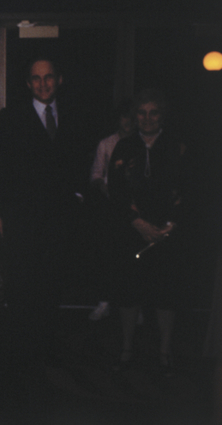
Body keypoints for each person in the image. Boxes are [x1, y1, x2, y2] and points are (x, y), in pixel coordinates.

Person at [0, 57, 88, 419]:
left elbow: (79, 159)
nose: (43, 85)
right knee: (22, 287)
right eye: (36, 79)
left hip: (59, 221)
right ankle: (21, 356)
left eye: (48, 78)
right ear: (28, 84)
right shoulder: (11, 117)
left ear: (58, 80)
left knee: (51, 285)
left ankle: (45, 348)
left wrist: (77, 196)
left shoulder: (71, 115)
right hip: (22, 219)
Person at [107, 88, 185, 373]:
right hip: (131, 231)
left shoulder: (177, 146)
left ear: (161, 115)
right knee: (129, 291)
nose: (147, 118)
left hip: (168, 233)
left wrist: (170, 225)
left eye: (153, 112)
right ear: (135, 115)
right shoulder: (124, 147)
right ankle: (127, 347)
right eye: (142, 112)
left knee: (166, 293)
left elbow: (188, 188)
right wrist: (137, 222)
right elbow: (115, 190)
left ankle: (164, 351)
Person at [87, 99, 136, 321]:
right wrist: (107, 190)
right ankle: (104, 301)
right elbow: (96, 175)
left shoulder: (141, 144)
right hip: (110, 208)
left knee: (133, 257)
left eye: (132, 116)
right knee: (108, 255)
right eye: (124, 116)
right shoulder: (106, 144)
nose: (128, 121)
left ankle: (136, 307)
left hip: (137, 208)